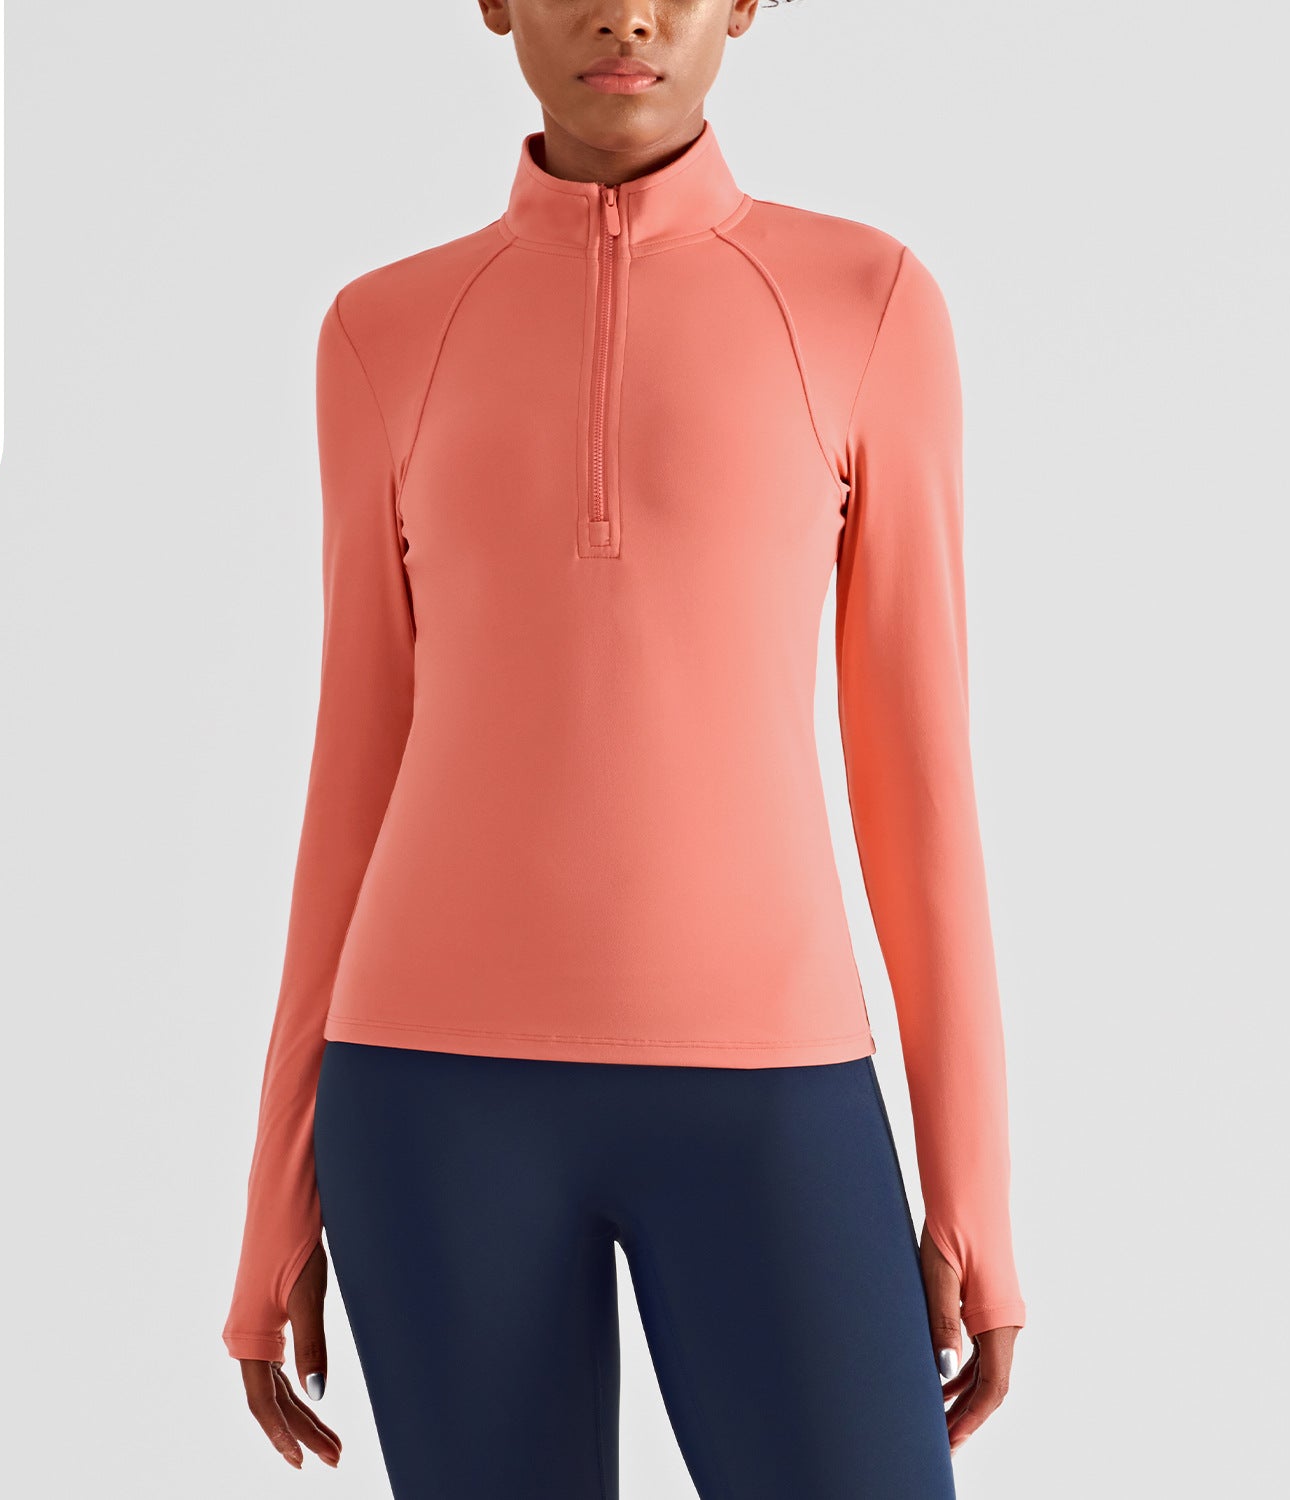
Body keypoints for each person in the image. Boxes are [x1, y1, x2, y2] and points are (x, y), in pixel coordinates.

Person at [222, 2, 1027, 1493]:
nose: (626, 13)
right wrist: (279, 1194)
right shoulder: (381, 332)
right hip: (432, 1096)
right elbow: (354, 768)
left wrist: (967, 1177)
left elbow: (919, 783)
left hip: (772, 1089)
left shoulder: (868, 306)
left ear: (746, 3)